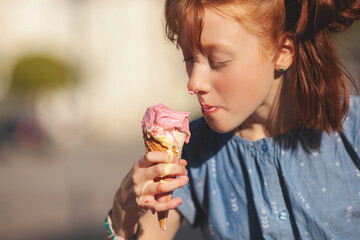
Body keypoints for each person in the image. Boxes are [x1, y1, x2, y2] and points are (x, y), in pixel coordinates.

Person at [105, 0, 360, 239]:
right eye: (189, 58)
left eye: (216, 61)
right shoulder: (191, 154)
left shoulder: (354, 132)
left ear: (283, 52)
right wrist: (121, 216)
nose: (193, 82)